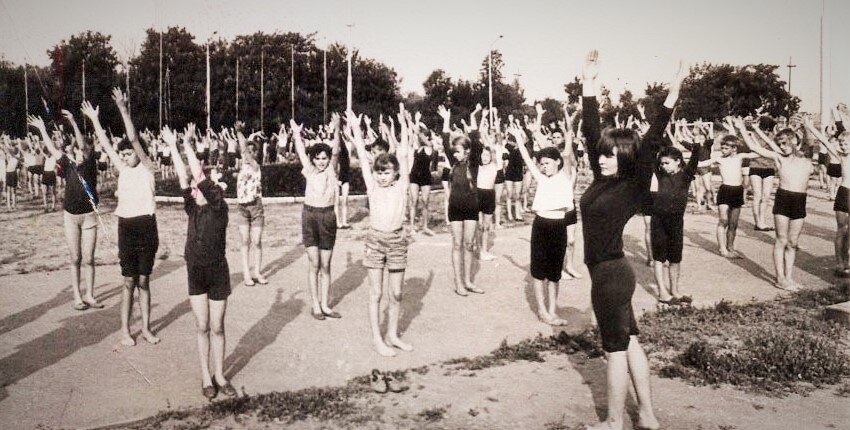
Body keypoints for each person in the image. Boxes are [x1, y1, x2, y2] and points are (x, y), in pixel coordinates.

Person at [579, 49, 683, 430]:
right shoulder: (603, 177)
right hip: (610, 274)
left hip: (610, 275)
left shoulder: (633, 183)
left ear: (624, 157)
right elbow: (592, 130)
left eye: (609, 154)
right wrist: (589, 83)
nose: (601, 158)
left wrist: (672, 96)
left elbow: (653, 138)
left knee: (615, 350)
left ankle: (612, 422)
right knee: (632, 342)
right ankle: (649, 416)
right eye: (601, 154)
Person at [160, 125, 237, 399]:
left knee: (217, 326)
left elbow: (198, 175)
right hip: (196, 271)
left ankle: (219, 374)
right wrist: (173, 146)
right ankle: (206, 375)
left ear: (212, 190)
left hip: (218, 271)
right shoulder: (193, 207)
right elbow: (185, 176)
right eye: (193, 189)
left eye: (198, 187)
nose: (194, 190)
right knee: (202, 326)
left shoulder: (219, 207)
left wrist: (187, 145)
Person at [82, 89, 161, 346]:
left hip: (147, 226)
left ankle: (147, 329)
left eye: (128, 153)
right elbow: (104, 143)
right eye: (123, 154)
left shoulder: (149, 168)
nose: (125, 157)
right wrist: (94, 120)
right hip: (126, 226)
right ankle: (125, 331)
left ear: (139, 153)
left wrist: (123, 109)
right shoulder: (122, 169)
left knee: (144, 281)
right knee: (128, 281)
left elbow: (134, 137)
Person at [346, 106, 415, 357]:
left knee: (396, 293)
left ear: (395, 172)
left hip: (397, 240)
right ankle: (378, 338)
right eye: (379, 172)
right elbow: (364, 160)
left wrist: (405, 126)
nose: (382, 176)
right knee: (376, 293)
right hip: (375, 241)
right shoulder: (372, 188)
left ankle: (392, 334)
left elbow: (405, 155)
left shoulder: (401, 186)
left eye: (386, 172)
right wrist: (355, 127)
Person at [28, 112, 104, 310]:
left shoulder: (89, 163)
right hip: (71, 217)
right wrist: (43, 129)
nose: (77, 151)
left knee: (89, 258)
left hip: (89, 217)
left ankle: (90, 295)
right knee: (76, 258)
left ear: (87, 151)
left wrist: (73, 121)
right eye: (74, 149)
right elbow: (53, 149)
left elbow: (82, 143)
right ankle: (78, 297)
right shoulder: (68, 164)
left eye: (80, 149)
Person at [507, 123, 573, 326]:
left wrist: (568, 130)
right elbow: (527, 158)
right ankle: (542, 311)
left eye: (547, 163)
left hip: (559, 226)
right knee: (538, 271)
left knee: (554, 273)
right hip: (541, 225)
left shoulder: (565, 176)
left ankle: (553, 310)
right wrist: (519, 139)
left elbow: (567, 154)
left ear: (558, 162)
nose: (544, 167)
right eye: (541, 164)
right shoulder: (542, 179)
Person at [737, 117, 813, 291]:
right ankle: (780, 278)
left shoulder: (806, 158)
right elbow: (754, 147)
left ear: (794, 141)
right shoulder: (779, 158)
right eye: (779, 143)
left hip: (799, 201)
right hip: (783, 199)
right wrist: (742, 128)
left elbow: (810, 141)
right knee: (781, 240)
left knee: (793, 242)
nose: (781, 147)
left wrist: (807, 127)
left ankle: (788, 277)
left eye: (784, 143)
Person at [292, 117, 342, 320]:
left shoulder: (331, 170)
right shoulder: (310, 171)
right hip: (310, 215)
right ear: (313, 159)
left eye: (324, 158)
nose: (321, 161)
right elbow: (300, 151)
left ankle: (325, 304)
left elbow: (337, 150)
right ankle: (315, 305)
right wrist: (296, 133)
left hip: (328, 216)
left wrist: (338, 128)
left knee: (326, 265)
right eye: (318, 158)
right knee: (314, 263)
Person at [438, 104, 484, 296]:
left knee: (469, 244)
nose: (454, 154)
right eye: (454, 151)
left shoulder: (473, 164)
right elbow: (444, 139)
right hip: (455, 208)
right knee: (457, 244)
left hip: (471, 208)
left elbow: (475, 139)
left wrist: (474, 115)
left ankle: (467, 281)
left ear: (467, 151)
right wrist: (446, 120)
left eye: (458, 151)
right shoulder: (454, 162)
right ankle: (458, 283)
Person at [650, 145, 699, 305]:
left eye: (667, 163)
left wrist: (697, 145)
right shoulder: (660, 174)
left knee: (675, 257)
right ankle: (662, 292)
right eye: (662, 163)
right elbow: (651, 160)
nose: (663, 166)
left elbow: (693, 162)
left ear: (678, 162)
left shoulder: (685, 176)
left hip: (676, 222)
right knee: (659, 257)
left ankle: (675, 290)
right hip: (658, 221)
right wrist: (652, 143)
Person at [711, 120, 761, 258]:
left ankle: (730, 248)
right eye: (722, 147)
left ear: (734, 149)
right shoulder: (719, 159)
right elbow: (702, 163)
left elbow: (758, 153)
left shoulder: (740, 157)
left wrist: (752, 137)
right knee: (723, 221)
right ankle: (722, 249)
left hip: (737, 191)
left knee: (733, 223)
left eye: (726, 148)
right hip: (725, 190)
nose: (723, 150)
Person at [232, 127, 268, 287]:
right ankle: (247, 273)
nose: (249, 154)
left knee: (257, 240)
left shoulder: (256, 167)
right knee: (245, 241)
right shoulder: (243, 166)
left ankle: (257, 272)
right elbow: (243, 149)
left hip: (256, 207)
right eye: (247, 152)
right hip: (242, 208)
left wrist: (240, 133)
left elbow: (244, 149)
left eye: (253, 152)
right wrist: (240, 134)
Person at [408, 119, 437, 235]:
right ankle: (412, 227)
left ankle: (425, 226)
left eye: (424, 136)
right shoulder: (417, 147)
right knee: (413, 201)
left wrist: (418, 128)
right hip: (414, 175)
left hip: (425, 176)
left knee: (425, 202)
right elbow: (414, 134)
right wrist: (413, 121)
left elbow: (420, 135)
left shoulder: (430, 147)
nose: (420, 138)